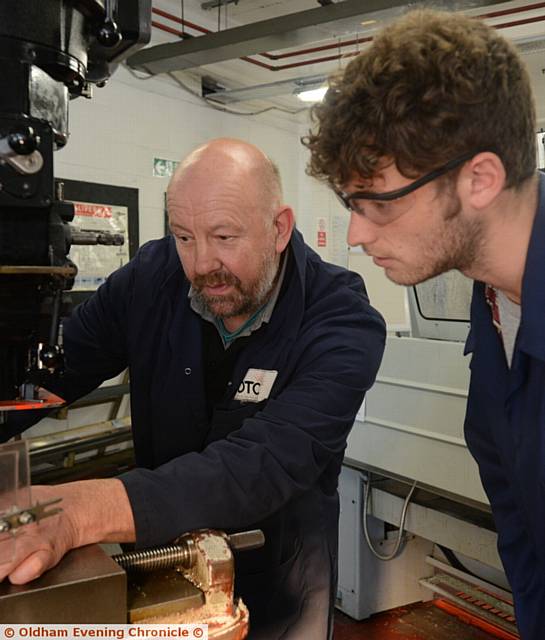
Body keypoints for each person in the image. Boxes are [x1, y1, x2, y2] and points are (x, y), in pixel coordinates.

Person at [0, 138, 386, 639]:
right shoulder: (150, 280)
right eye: (184, 236)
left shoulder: (342, 321)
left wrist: (76, 511)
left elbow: (263, 463)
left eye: (224, 237)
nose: (202, 264)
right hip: (162, 565)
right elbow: (50, 372)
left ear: (279, 229)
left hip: (279, 583)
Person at [303, 9, 545, 640]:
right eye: (350, 205)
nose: (355, 235)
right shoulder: (493, 308)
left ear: (480, 178)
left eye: (377, 201)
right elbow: (523, 531)